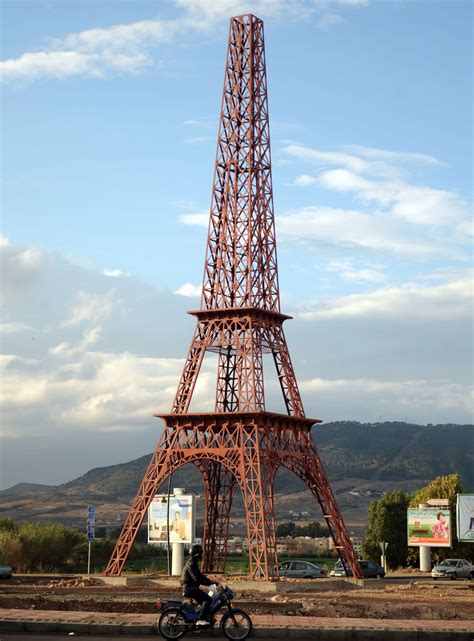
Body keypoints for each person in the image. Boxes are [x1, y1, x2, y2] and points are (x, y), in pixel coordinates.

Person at [180, 544, 213, 626]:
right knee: (207, 599)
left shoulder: (193, 562)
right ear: (197, 554)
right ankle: (201, 619)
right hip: (189, 588)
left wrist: (210, 581)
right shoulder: (192, 564)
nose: (202, 555)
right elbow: (198, 578)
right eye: (201, 554)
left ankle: (202, 616)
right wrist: (209, 582)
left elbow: (200, 576)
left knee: (203, 602)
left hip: (190, 587)